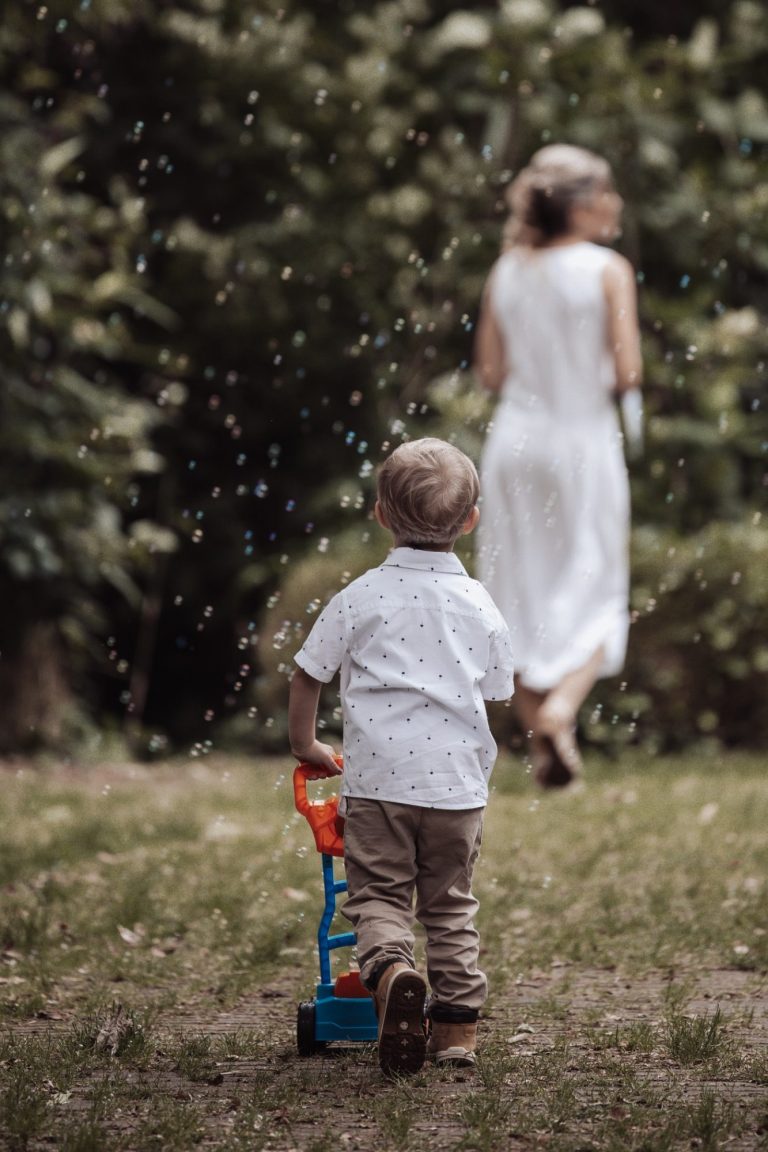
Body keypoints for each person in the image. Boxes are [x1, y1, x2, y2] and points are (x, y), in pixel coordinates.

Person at [288, 438, 515, 1076]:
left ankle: (389, 975)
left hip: (380, 783)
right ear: (469, 521)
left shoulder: (359, 596)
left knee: (380, 896)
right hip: (456, 791)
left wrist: (306, 745)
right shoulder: (481, 606)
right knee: (450, 907)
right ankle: (457, 1037)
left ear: (380, 513)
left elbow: (308, 674)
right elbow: (497, 689)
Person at [474, 144, 642, 789]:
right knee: (598, 583)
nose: (617, 204)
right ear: (581, 204)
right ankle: (563, 709)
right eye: (608, 192)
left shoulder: (506, 270)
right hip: (581, 443)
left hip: (514, 445)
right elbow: (627, 372)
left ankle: (544, 727)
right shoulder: (608, 269)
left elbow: (491, 373)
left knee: (514, 589)